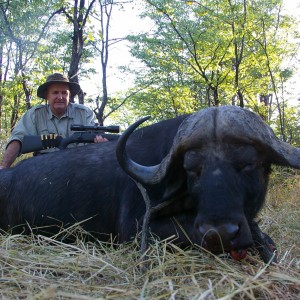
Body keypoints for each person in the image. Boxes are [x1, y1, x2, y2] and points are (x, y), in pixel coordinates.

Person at [0, 73, 106, 169]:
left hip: (77, 168)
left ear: (69, 96)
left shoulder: (85, 113)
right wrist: (4, 167)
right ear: (47, 95)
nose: (60, 97)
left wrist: (101, 146)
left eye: (64, 93)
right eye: (55, 93)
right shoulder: (34, 114)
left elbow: (94, 145)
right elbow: (18, 139)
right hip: (44, 169)